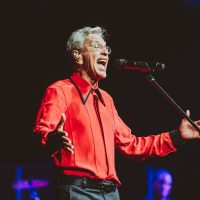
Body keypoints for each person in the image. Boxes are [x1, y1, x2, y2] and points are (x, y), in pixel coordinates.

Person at [33, 26, 200, 200]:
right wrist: (53, 139)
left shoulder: (107, 100)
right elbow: (41, 134)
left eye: (107, 49)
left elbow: (133, 146)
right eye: (97, 46)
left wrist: (177, 136)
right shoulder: (60, 91)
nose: (105, 53)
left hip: (111, 194)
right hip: (78, 192)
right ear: (77, 56)